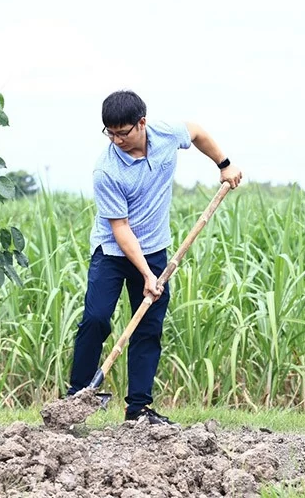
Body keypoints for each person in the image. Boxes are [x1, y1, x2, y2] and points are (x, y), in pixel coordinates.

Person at [67, 90, 243, 425]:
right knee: (96, 318)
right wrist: (147, 274)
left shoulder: (165, 134)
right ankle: (77, 396)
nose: (116, 140)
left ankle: (138, 410)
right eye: (110, 133)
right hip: (113, 252)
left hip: (156, 249)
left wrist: (224, 164)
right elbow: (120, 229)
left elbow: (197, 132)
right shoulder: (106, 170)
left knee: (148, 327)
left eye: (123, 132)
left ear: (142, 123)